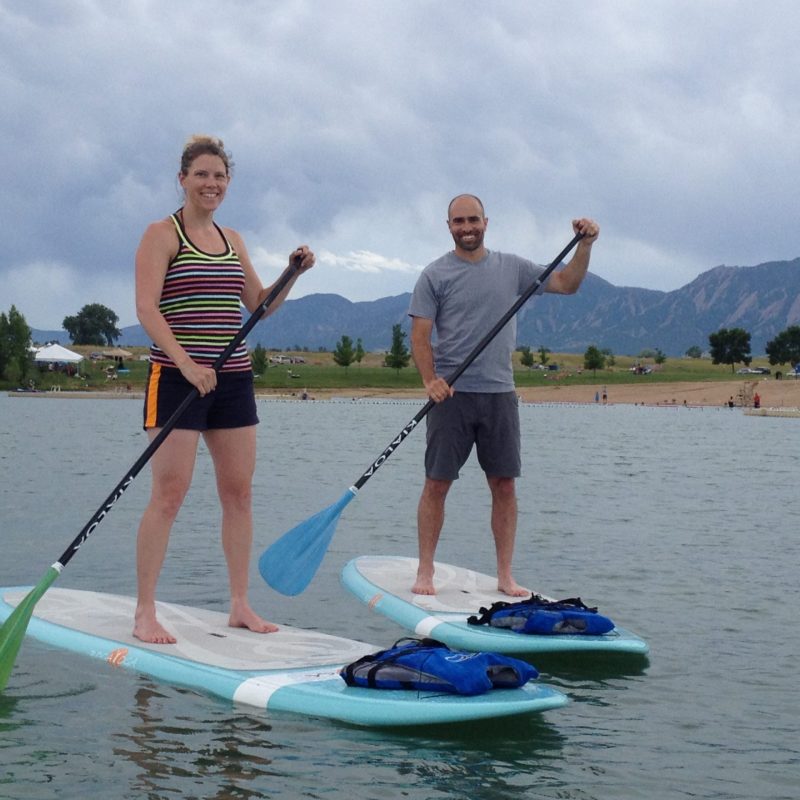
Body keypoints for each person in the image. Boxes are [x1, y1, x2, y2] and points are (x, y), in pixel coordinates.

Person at [133, 134, 315, 644]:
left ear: (228, 183)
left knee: (238, 494)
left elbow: (259, 304)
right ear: (183, 179)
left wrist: (292, 273)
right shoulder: (161, 234)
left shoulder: (233, 240)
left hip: (232, 378)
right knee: (169, 494)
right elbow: (147, 309)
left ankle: (239, 604)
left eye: (220, 176)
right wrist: (187, 364)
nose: (211, 183)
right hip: (174, 378)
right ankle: (145, 610)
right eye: (202, 175)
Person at [408, 194, 599, 596]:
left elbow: (567, 283)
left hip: (499, 394)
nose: (467, 227)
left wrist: (584, 246)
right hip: (452, 396)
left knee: (505, 486)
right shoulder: (434, 275)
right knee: (436, 483)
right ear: (449, 227)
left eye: (473, 219)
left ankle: (505, 576)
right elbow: (420, 337)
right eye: (459, 221)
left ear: (486, 222)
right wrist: (430, 380)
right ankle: (425, 571)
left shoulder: (513, 268)